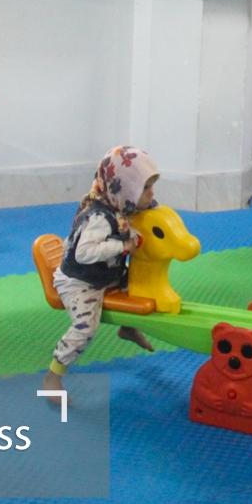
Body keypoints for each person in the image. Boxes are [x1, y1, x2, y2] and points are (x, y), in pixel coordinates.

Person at [43, 146, 159, 396]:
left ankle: (127, 326)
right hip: (80, 281)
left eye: (151, 186)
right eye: (145, 188)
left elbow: (151, 212)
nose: (151, 194)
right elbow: (83, 253)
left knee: (138, 284)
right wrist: (124, 246)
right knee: (86, 327)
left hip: (108, 274)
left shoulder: (121, 203)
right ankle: (53, 375)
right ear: (123, 189)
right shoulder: (98, 218)